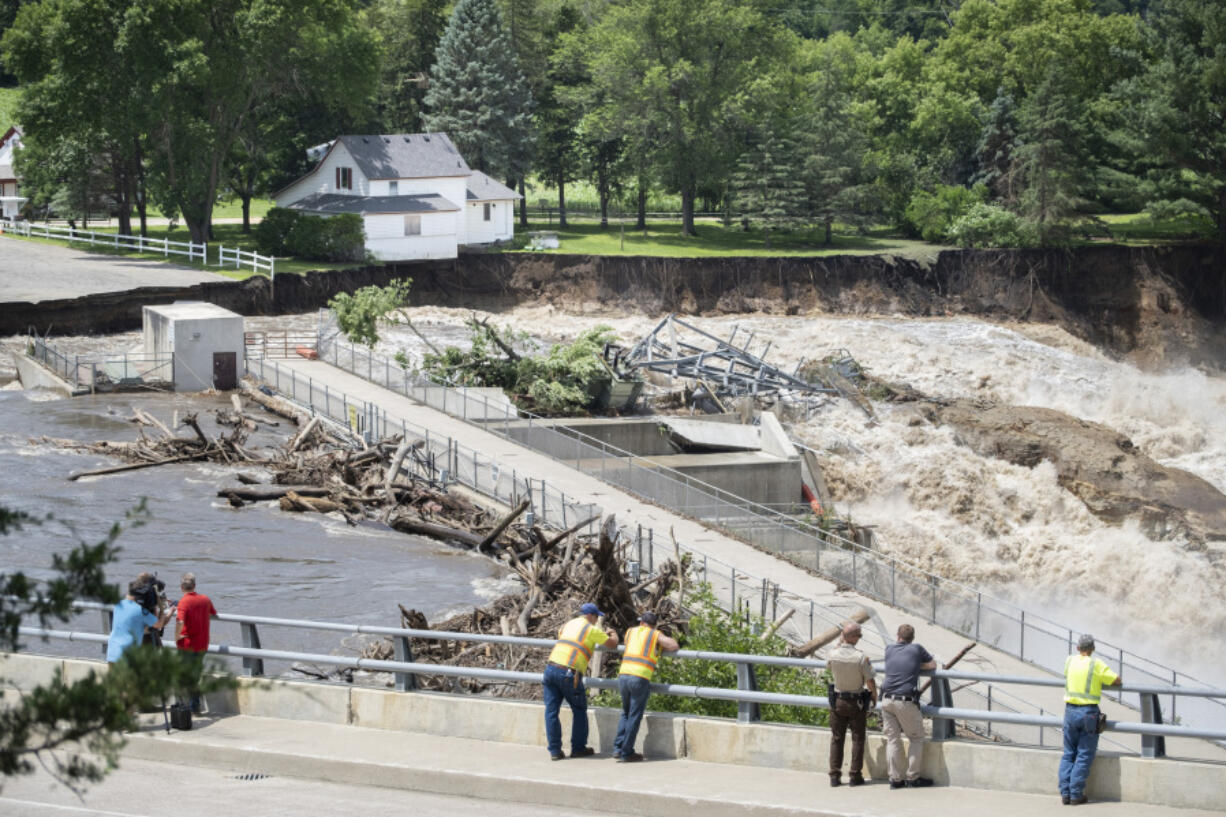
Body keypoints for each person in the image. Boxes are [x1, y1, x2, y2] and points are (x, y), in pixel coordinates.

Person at [542, 602, 619, 761]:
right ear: (590, 615)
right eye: (596, 616)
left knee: (551, 711)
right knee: (579, 709)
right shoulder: (590, 629)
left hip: (550, 669)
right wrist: (613, 633)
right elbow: (612, 644)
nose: (597, 619)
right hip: (568, 672)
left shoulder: (569, 624)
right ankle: (578, 748)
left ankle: (555, 751)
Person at [1059, 634, 1121, 806]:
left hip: (1070, 711)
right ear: (1093, 649)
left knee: (1069, 753)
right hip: (1088, 713)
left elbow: (1067, 674)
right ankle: (1076, 794)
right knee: (1084, 754)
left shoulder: (1069, 660)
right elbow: (1116, 680)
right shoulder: (1096, 664)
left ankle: (1065, 793)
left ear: (1078, 648)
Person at [613, 611, 679, 763]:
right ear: (653, 625)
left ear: (642, 623)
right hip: (639, 677)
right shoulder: (654, 634)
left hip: (623, 674)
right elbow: (673, 645)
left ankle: (618, 748)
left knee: (626, 712)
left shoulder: (630, 632)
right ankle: (627, 752)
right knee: (634, 715)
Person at [880, 623, 937, 789]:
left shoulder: (889, 649)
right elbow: (932, 665)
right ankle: (912, 778)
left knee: (893, 740)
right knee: (916, 738)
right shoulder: (917, 649)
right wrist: (916, 665)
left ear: (898, 636)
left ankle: (895, 780)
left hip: (886, 700)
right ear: (912, 638)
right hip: (904, 701)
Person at [826, 621, 877, 787]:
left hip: (838, 700)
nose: (860, 638)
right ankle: (855, 776)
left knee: (836, 739)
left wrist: (841, 640)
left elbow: (827, 665)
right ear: (854, 638)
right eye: (859, 635)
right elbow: (870, 681)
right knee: (858, 739)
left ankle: (834, 776)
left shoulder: (832, 654)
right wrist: (875, 696)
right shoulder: (861, 657)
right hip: (856, 702)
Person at [174, 572, 218, 714]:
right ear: (194, 585)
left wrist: (177, 638)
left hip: (187, 645)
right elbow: (213, 612)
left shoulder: (184, 602)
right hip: (202, 644)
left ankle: (186, 706)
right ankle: (195, 705)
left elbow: (180, 621)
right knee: (195, 674)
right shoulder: (205, 599)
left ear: (182, 587)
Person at [106, 575, 173, 663]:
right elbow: (158, 624)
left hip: (112, 653)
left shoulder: (118, 604)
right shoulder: (141, 611)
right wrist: (163, 609)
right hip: (128, 656)